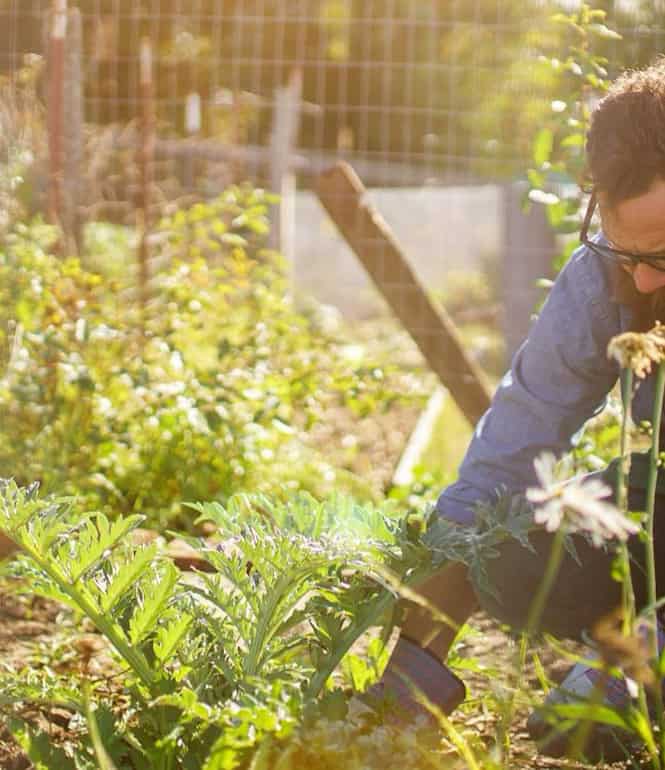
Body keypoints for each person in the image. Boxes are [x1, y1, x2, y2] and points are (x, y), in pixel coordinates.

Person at [368, 59, 665, 761]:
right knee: (507, 553)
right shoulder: (605, 272)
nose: (644, 278)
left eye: (664, 252)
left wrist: (636, 659)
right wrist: (404, 674)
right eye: (627, 251)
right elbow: (513, 445)